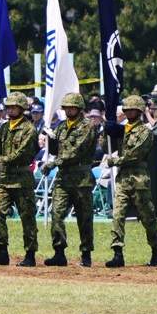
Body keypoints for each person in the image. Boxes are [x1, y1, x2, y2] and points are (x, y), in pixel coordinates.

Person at [105, 96, 157, 268]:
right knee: (117, 215)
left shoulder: (145, 132)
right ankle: (117, 252)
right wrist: (106, 131)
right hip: (123, 179)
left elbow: (135, 154)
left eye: (131, 109)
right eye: (126, 109)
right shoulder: (122, 131)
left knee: (147, 217)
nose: (128, 112)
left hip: (139, 179)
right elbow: (108, 145)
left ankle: (156, 251)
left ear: (138, 112)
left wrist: (115, 161)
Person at [41, 93, 96, 268]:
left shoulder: (87, 126)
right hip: (63, 179)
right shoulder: (62, 126)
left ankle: (86, 253)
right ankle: (59, 252)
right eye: (65, 108)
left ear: (79, 108)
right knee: (56, 215)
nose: (68, 110)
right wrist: (49, 136)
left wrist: (54, 163)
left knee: (84, 218)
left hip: (81, 179)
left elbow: (76, 151)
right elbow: (57, 149)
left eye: (71, 107)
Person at [0, 92, 38, 266]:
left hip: (22, 178)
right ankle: (2, 251)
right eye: (8, 107)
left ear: (22, 108)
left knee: (27, 217)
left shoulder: (29, 129)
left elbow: (21, 154)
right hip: (4, 178)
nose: (10, 109)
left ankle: (30, 254)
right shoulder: (4, 127)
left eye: (13, 107)